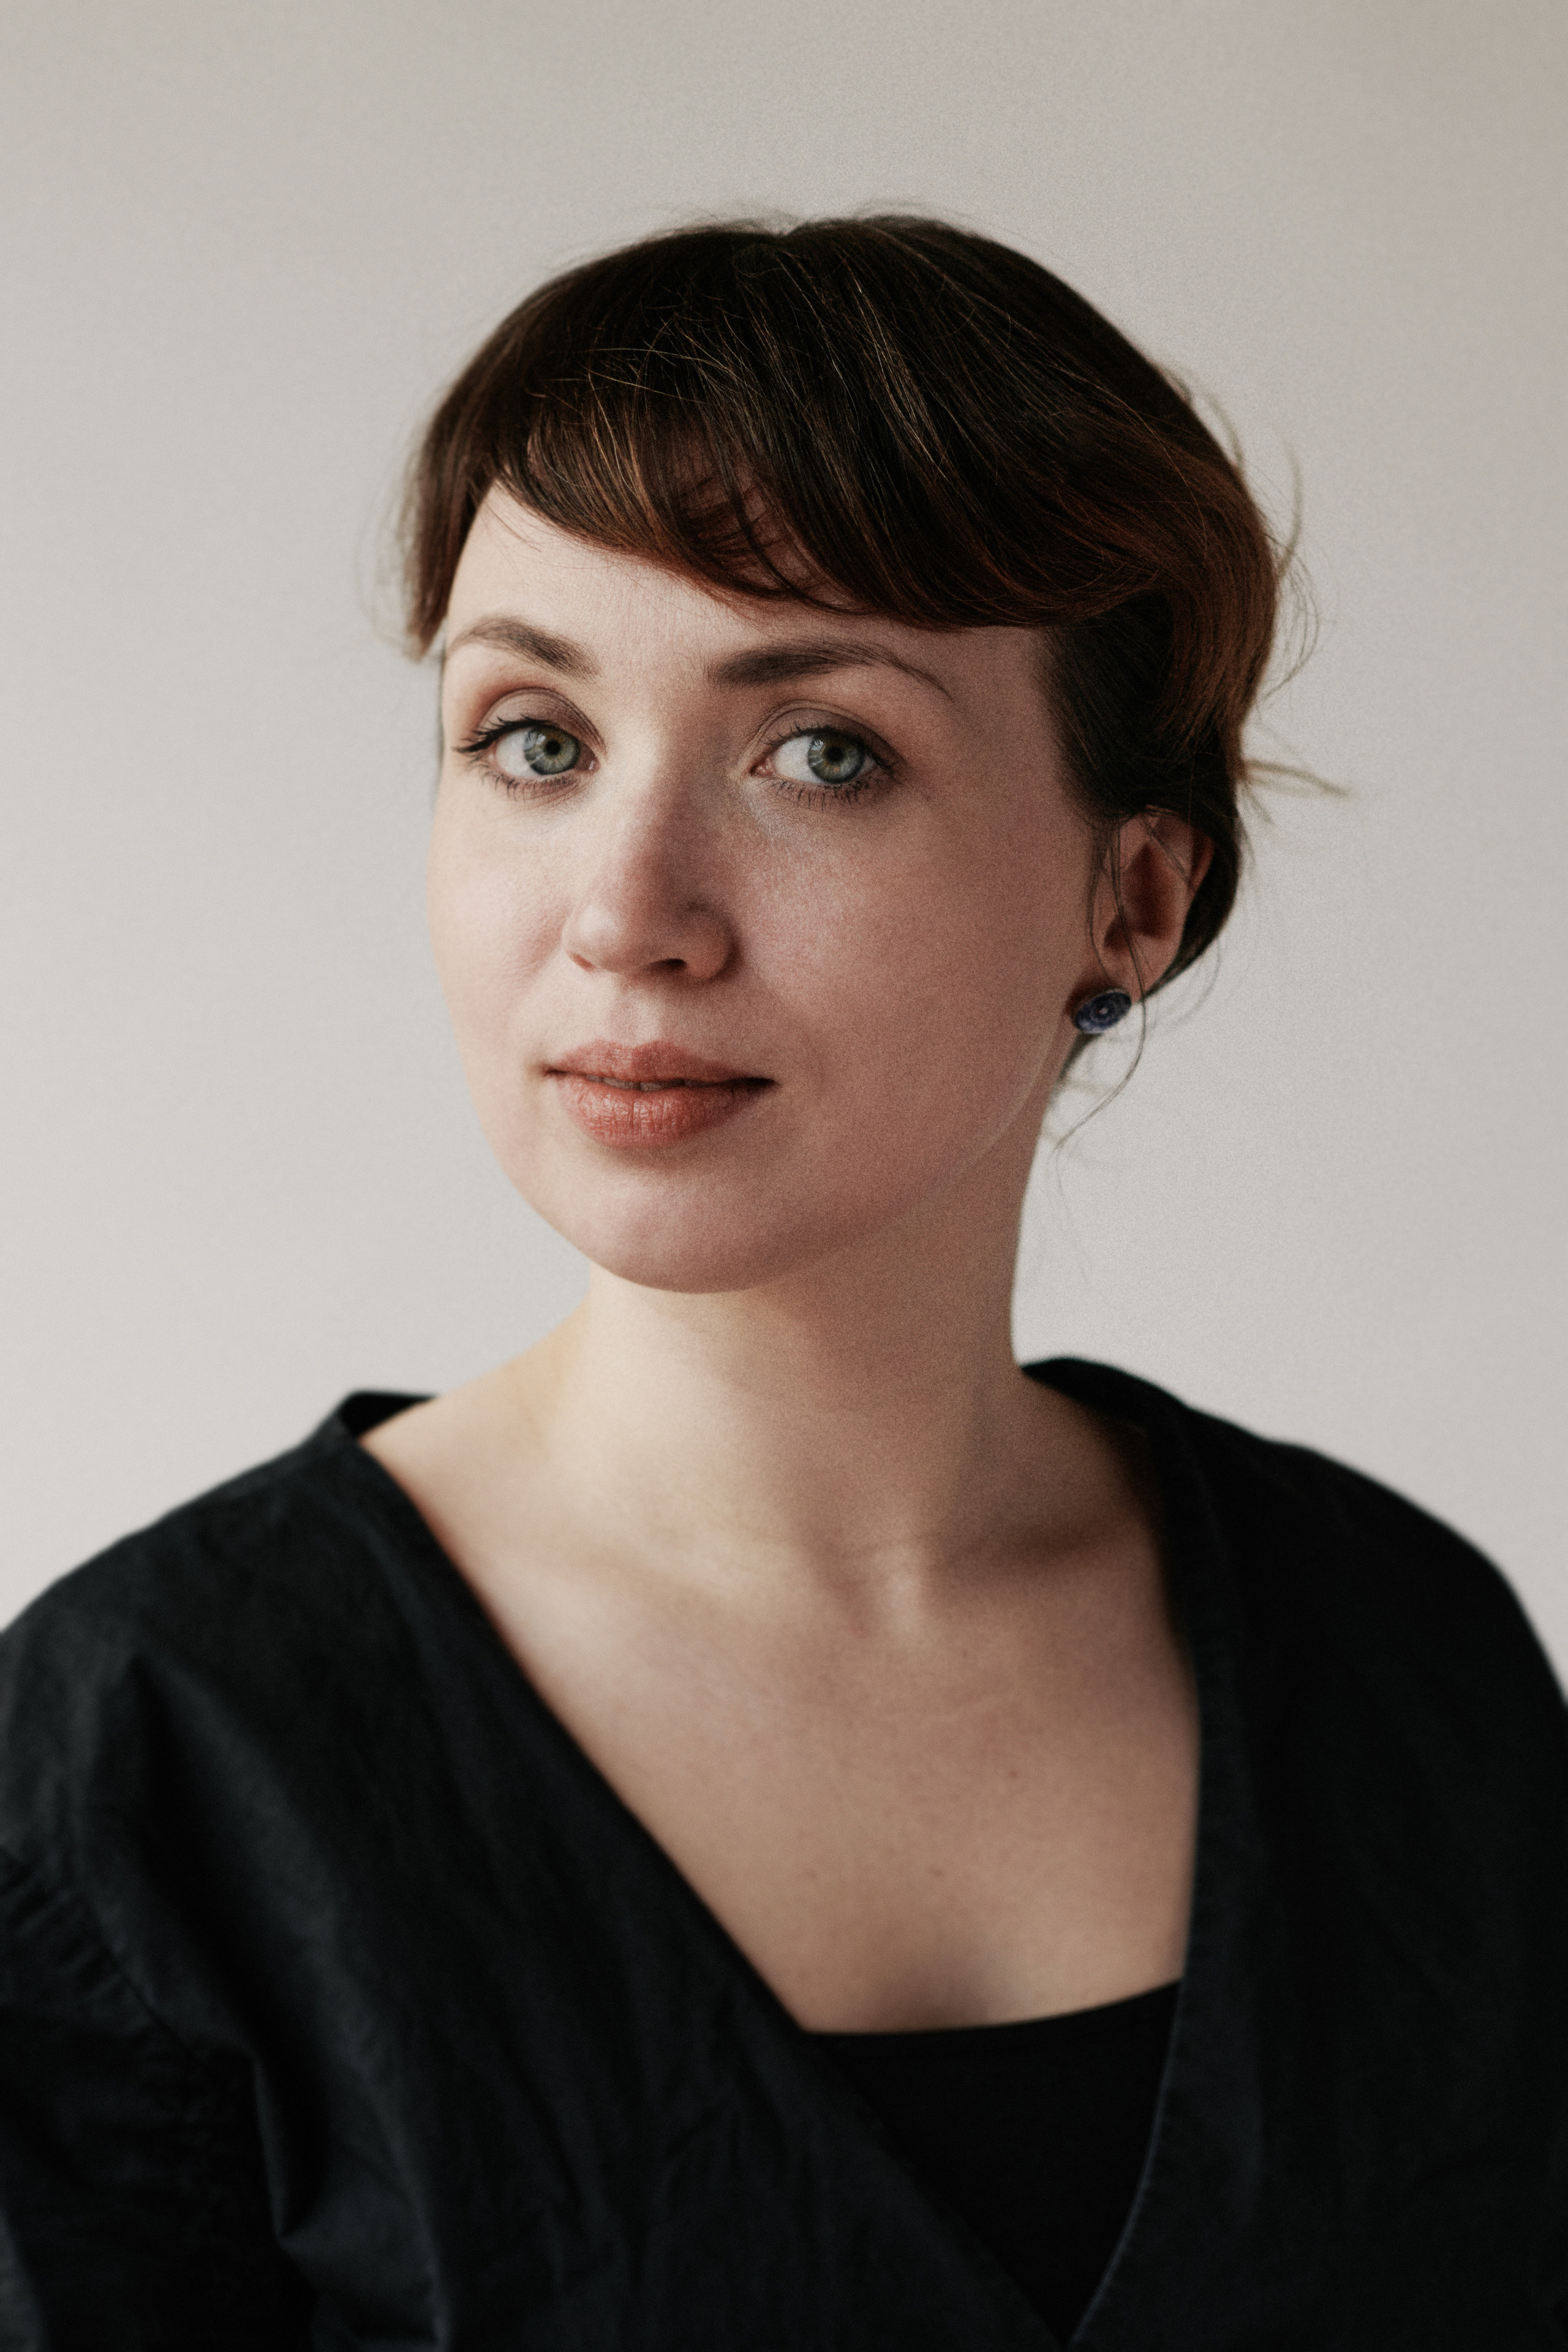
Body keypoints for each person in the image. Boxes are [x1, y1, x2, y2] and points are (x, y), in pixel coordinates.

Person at [0, 217, 1562, 2352]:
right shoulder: (143, 1778)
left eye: (821, 750)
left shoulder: (1409, 1669)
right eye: (533, 738)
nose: (627, 911)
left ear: (1134, 891)